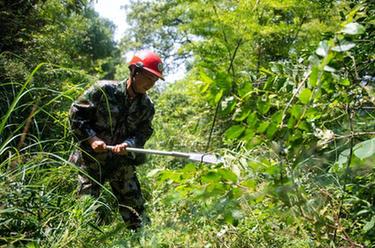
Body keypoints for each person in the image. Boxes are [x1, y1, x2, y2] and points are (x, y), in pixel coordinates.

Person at [69, 50, 164, 230]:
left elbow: (143, 132)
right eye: (149, 78)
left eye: (155, 80)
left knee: (136, 210)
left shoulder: (147, 107)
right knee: (85, 209)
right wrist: (92, 139)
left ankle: (144, 240)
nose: (151, 84)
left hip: (120, 162)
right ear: (135, 72)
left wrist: (128, 144)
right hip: (90, 160)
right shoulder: (103, 90)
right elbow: (76, 114)